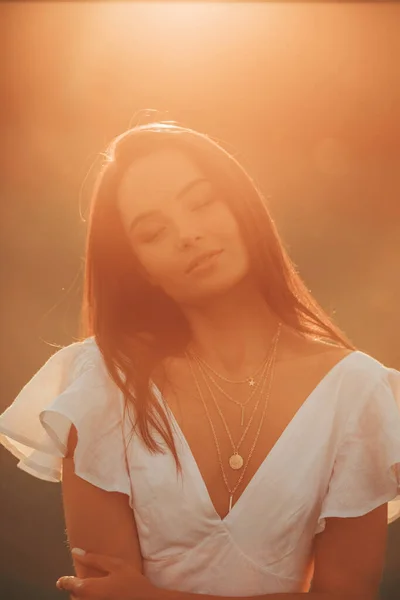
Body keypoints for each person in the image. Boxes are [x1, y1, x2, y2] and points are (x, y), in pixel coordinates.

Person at [1, 122, 400, 600]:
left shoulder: (357, 391)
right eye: (152, 232)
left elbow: (348, 595)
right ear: (138, 267)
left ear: (241, 204)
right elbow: (104, 595)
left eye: (201, 201)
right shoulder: (103, 382)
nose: (188, 234)